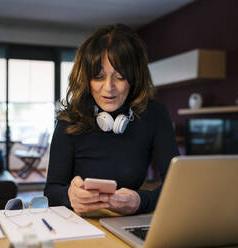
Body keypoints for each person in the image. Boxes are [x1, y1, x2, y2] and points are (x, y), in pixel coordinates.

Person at [44, 23, 179, 215]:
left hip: (128, 223)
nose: (109, 88)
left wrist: (140, 200)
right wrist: (70, 196)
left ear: (134, 78)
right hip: (81, 224)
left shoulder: (155, 114)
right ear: (86, 79)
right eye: (98, 77)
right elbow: (51, 192)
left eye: (120, 77)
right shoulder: (70, 119)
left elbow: (175, 188)